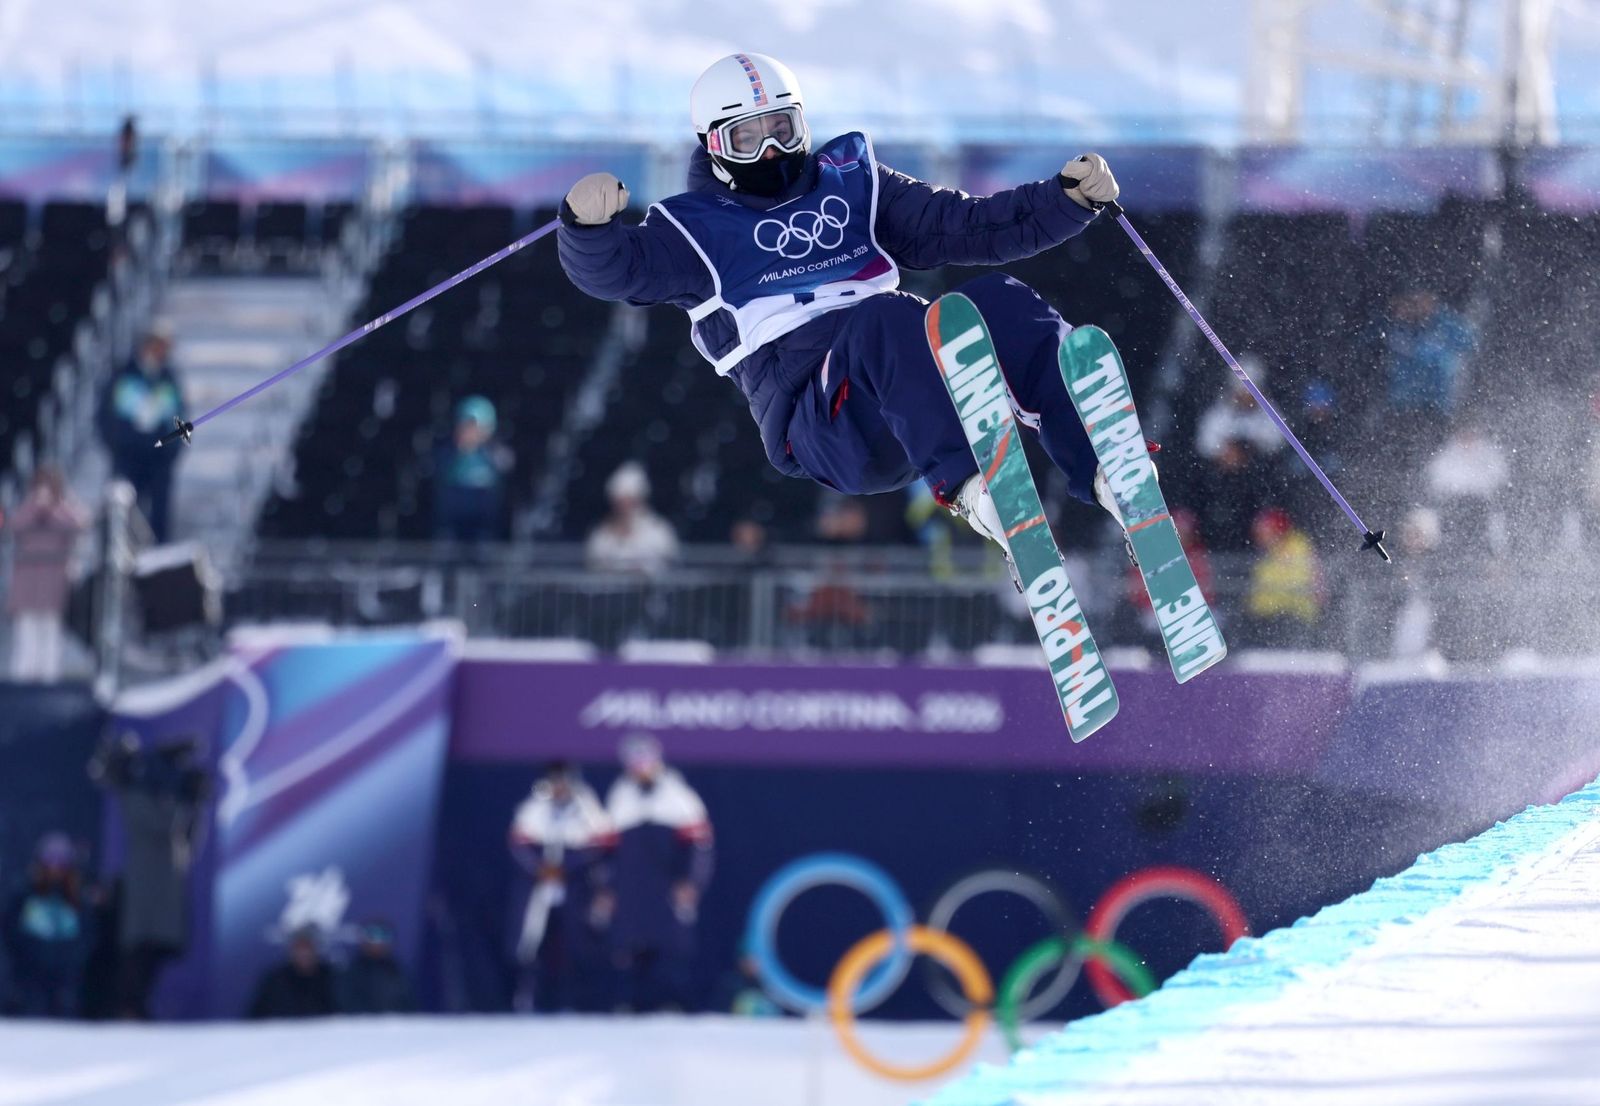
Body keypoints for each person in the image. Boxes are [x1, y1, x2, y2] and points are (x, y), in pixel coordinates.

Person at [557, 52, 1132, 582]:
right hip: (827, 426)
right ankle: (977, 492)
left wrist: (1065, 201)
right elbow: (617, 270)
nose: (771, 152)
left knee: (1001, 301)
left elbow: (968, 224)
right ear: (713, 145)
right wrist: (585, 228)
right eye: (747, 138)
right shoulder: (693, 229)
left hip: (912, 388)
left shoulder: (854, 185)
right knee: (886, 319)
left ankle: (1107, 471)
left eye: (781, 129)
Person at [88, 733, 208, 1019]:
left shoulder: (166, 798)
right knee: (135, 958)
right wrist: (180, 796)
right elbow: (158, 823)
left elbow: (188, 841)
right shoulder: (137, 794)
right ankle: (127, 1012)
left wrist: (195, 802)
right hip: (144, 897)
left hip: (167, 893)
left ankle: (134, 1011)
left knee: (152, 958)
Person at [602, 734, 713, 1012]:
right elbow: (606, 851)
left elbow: (700, 846)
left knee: (672, 947)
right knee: (631, 948)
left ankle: (673, 1004)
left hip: (668, 887)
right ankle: (632, 1005)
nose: (640, 766)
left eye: (645, 760)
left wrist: (692, 883)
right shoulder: (619, 795)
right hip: (630, 889)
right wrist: (607, 888)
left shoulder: (679, 796)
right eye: (634, 761)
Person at [507, 762, 614, 1013]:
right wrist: (540, 869)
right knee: (531, 943)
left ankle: (577, 1001)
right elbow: (518, 846)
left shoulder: (587, 807)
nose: (558, 788)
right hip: (539, 887)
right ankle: (530, 999)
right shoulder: (534, 807)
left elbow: (600, 847)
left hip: (575, 886)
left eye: (563, 781)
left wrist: (567, 867)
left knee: (577, 943)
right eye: (554, 782)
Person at [98, 322, 185, 541]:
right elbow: (105, 417)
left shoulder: (169, 378)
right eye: (159, 346)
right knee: (124, 516)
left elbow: (179, 417)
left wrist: (171, 451)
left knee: (159, 519)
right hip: (128, 459)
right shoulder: (123, 375)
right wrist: (119, 445)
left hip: (159, 461)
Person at [5, 465, 88, 682]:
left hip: (53, 586)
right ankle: (22, 682)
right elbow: (15, 525)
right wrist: (35, 507)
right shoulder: (26, 510)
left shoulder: (64, 511)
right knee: (26, 636)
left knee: (50, 634)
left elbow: (79, 524)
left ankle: (49, 681)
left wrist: (57, 507)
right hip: (27, 585)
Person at [1195, 356, 1283, 549]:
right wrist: (1226, 454)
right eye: (1241, 391)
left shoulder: (1269, 413)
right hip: (1225, 482)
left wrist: (1247, 451)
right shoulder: (1220, 413)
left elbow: (1275, 442)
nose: (1245, 397)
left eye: (1250, 392)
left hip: (1257, 482)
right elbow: (1206, 442)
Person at [1, 834, 89, 1018]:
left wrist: (68, 957)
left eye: (61, 862)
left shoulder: (78, 899)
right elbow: (11, 931)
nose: (55, 868)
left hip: (66, 977)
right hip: (28, 975)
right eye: (50, 861)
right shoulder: (24, 895)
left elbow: (87, 936)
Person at [433, 395, 512, 544]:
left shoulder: (495, 449)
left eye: (474, 425)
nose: (470, 430)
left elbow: (505, 465)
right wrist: (461, 448)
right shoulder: (449, 450)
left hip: (484, 510)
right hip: (455, 509)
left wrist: (487, 447)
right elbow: (440, 469)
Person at [1244, 507, 1326, 648]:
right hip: (1268, 615)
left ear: (1277, 531)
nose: (1260, 538)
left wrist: (1266, 603)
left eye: (1265, 533)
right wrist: (1255, 607)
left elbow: (1295, 582)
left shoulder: (1297, 547)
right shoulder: (1269, 552)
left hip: (1293, 613)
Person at [585, 462, 679, 575]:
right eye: (620, 501)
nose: (624, 506)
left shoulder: (658, 529)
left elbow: (668, 558)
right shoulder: (602, 532)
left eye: (629, 500)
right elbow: (595, 561)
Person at [247, 926, 336, 1019]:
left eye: (308, 947)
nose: (304, 953)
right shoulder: (275, 981)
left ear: (315, 949)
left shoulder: (331, 978)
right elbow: (256, 1018)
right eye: (299, 947)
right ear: (291, 950)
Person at [337, 919, 416, 1015]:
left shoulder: (398, 973)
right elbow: (346, 1006)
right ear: (363, 940)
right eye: (372, 935)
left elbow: (409, 1006)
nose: (378, 942)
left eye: (384, 936)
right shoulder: (350, 973)